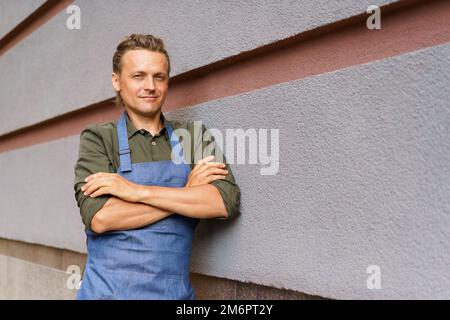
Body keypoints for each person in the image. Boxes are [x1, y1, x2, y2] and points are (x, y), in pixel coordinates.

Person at [73, 34, 240, 300]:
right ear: (117, 81)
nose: (150, 86)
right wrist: (185, 192)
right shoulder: (98, 138)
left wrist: (133, 191)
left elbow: (223, 201)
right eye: (138, 76)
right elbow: (101, 218)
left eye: (158, 76)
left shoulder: (193, 136)